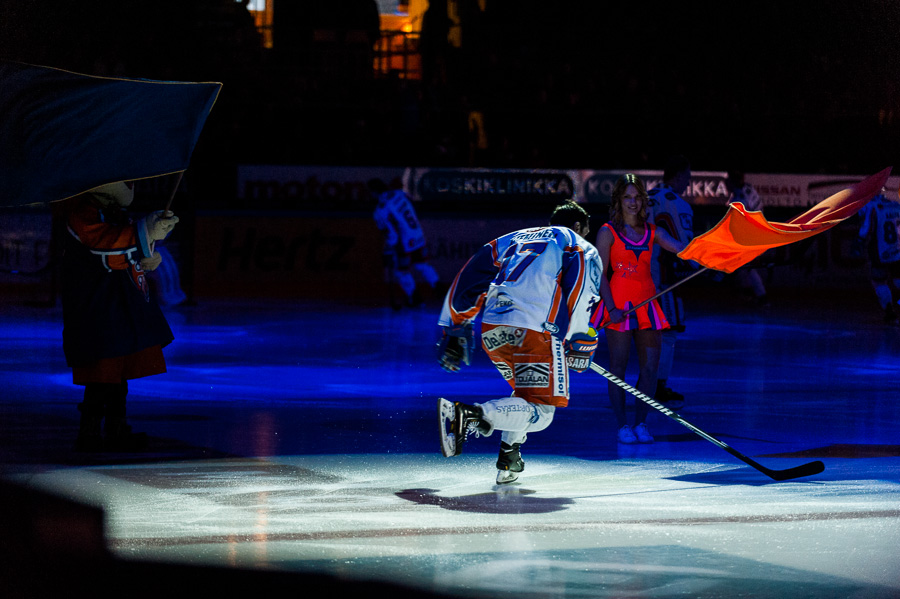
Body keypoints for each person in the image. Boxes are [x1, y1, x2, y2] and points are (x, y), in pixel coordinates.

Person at [436, 200, 601, 484]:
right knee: (542, 411)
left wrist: (456, 324)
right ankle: (470, 415)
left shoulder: (512, 238)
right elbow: (581, 289)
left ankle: (509, 458)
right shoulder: (576, 242)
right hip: (535, 330)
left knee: (525, 395)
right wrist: (578, 337)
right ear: (578, 226)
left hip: (494, 328)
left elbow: (469, 277)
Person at [62, 180, 180, 452]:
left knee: (119, 370)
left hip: (117, 303)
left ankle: (116, 428)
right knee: (101, 373)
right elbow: (103, 246)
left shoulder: (112, 212)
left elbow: (125, 245)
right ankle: (90, 431)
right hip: (97, 305)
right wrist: (144, 232)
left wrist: (148, 242)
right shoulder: (83, 213)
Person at [594, 174, 686, 444]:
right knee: (617, 369)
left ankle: (641, 423)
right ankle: (622, 425)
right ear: (618, 200)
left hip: (647, 307)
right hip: (618, 309)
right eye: (627, 197)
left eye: (637, 197)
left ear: (643, 200)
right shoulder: (607, 232)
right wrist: (610, 307)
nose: (633, 203)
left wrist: (709, 252)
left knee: (649, 370)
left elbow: (681, 249)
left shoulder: (653, 231)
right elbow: (599, 273)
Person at [646, 155, 693, 409]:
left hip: (634, 277)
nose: (688, 182)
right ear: (677, 175)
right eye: (687, 176)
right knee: (669, 333)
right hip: (664, 280)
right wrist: (705, 267)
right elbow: (684, 248)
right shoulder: (678, 204)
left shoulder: (643, 198)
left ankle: (649, 384)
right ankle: (658, 386)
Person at [369, 178, 440, 308]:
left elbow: (390, 232)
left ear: (373, 192)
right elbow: (413, 202)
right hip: (417, 234)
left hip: (404, 242)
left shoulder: (380, 210)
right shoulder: (399, 193)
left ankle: (415, 298)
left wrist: (389, 249)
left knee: (401, 271)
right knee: (422, 265)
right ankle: (443, 293)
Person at [855, 188, 900, 324]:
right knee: (898, 280)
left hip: (880, 250)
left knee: (879, 281)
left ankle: (890, 312)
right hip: (897, 249)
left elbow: (866, 227)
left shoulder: (872, 206)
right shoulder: (896, 205)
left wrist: (859, 242)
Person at [726, 171, 769, 307]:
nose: (726, 185)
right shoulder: (748, 189)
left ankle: (761, 297)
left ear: (733, 182)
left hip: (752, 234)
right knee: (743, 266)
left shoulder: (739, 198)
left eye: (728, 181)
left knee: (747, 266)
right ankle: (750, 294)